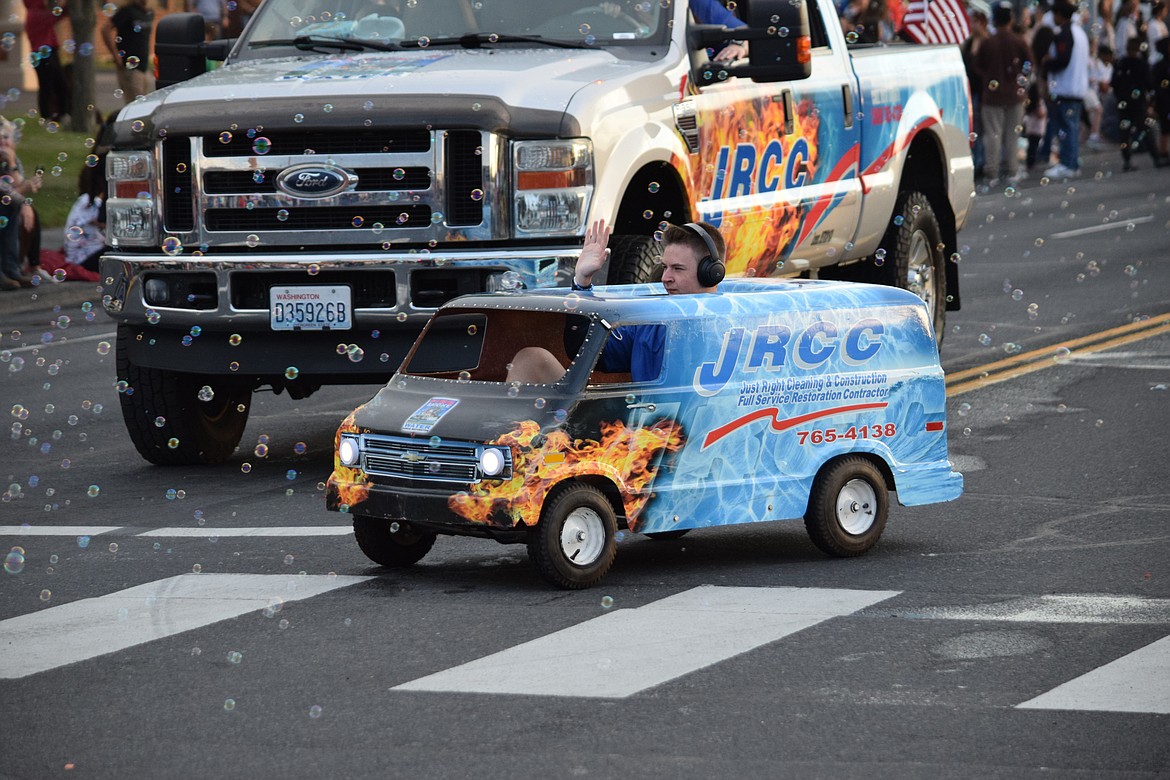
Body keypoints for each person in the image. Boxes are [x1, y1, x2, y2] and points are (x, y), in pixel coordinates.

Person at [506, 219, 725, 384]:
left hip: (694, 436)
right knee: (531, 359)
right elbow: (584, 349)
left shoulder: (734, 323)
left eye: (677, 269)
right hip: (640, 434)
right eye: (665, 267)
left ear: (710, 273)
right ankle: (504, 445)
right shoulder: (650, 322)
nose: (666, 277)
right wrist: (582, 281)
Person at [975, 2, 1033, 185]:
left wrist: (987, 78)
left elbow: (977, 65)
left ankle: (991, 173)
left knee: (992, 134)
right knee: (1012, 135)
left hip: (991, 97)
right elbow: (1029, 64)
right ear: (1010, 19)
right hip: (1014, 95)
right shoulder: (1018, 41)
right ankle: (1011, 170)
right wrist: (1020, 79)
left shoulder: (988, 42)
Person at [1043, 0, 1090, 178]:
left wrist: (1047, 63)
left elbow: (1063, 59)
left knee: (1066, 127)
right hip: (1077, 87)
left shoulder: (1064, 33)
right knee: (1072, 126)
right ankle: (1073, 162)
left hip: (1066, 87)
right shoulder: (1080, 32)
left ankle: (1067, 164)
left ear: (1059, 15)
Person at [0, 118, 44, 290]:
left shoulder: (13, 159)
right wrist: (24, 198)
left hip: (6, 203)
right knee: (7, 207)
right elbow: (7, 190)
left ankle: (11, 268)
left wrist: (11, 163)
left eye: (6, 137)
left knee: (11, 207)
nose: (3, 142)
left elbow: (13, 188)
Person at [1112, 35, 1156, 170]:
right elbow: (1149, 84)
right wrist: (1151, 101)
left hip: (1124, 101)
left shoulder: (1121, 63)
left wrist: (1120, 97)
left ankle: (1127, 160)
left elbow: (1114, 83)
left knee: (1125, 133)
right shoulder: (1142, 64)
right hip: (1138, 103)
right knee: (1145, 130)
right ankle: (1156, 156)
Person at [22, 0, 70, 122]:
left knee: (58, 85)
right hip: (43, 54)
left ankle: (61, 114)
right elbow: (58, 16)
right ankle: (48, 116)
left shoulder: (34, 12)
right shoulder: (36, 14)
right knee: (47, 87)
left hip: (47, 52)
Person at [101, 0, 155, 104]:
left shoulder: (149, 12)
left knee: (142, 105)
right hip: (129, 66)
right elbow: (105, 29)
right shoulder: (127, 11)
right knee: (135, 105)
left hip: (144, 66)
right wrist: (115, 55)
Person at [64, 157, 108, 273]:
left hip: (89, 252)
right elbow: (96, 222)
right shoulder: (88, 202)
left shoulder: (89, 200)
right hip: (83, 258)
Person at [962, 8, 991, 180]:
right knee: (973, 129)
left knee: (981, 129)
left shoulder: (986, 42)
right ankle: (975, 160)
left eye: (975, 22)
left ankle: (981, 162)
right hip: (970, 90)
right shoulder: (969, 42)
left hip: (982, 91)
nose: (973, 25)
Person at [1152, 37, 1170, 161]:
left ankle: (1163, 151)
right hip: (1165, 100)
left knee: (1165, 127)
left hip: (1163, 100)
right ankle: (1163, 151)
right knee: (1165, 127)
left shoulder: (1159, 65)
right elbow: (1156, 85)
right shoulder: (1161, 65)